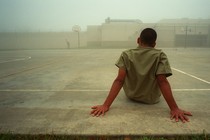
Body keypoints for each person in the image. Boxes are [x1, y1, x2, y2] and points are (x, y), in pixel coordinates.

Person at [90, 28, 192, 123]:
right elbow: (162, 82)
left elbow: (119, 80)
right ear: (154, 43)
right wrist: (174, 108)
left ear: (138, 40)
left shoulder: (126, 54)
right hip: (152, 99)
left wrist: (105, 105)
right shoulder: (160, 55)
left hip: (131, 96)